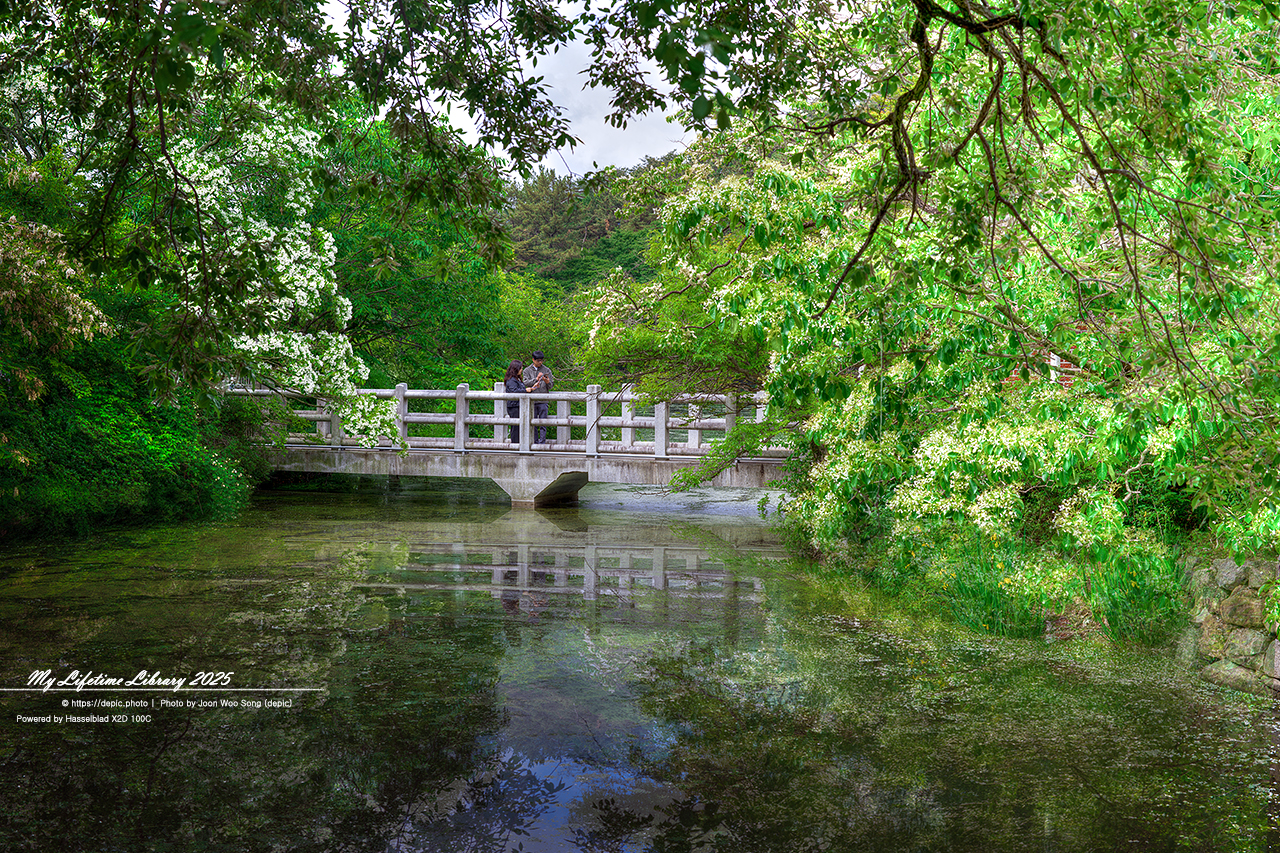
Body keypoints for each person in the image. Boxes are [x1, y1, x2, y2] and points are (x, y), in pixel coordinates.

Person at [521, 350, 555, 444]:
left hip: (543, 400)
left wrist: (547, 382)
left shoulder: (546, 370)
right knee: (533, 423)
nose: (540, 362)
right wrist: (535, 379)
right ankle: (534, 442)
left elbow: (551, 385)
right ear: (533, 360)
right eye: (538, 360)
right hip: (532, 400)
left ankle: (542, 442)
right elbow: (525, 383)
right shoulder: (527, 370)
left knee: (543, 423)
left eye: (541, 360)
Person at [503, 360, 528, 444]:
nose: (521, 370)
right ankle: (515, 445)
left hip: (519, 405)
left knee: (520, 427)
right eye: (520, 368)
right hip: (514, 406)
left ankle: (521, 444)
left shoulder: (518, 379)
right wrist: (525, 390)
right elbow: (514, 391)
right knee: (515, 427)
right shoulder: (511, 380)